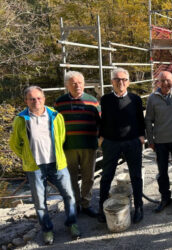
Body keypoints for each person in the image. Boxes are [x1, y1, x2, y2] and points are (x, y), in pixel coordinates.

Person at [10, 86, 80, 245]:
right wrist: (26, 157)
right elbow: (14, 144)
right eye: (32, 99)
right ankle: (47, 229)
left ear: (44, 99)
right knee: (40, 202)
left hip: (57, 163)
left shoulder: (55, 116)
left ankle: (72, 223)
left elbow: (61, 138)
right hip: (35, 167)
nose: (36, 101)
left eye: (39, 98)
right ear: (26, 101)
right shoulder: (20, 119)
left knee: (69, 194)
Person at [97, 68, 145, 224]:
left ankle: (138, 206)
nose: (121, 82)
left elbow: (140, 119)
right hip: (111, 143)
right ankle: (101, 208)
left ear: (128, 82)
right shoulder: (105, 100)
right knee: (106, 177)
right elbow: (100, 121)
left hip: (132, 142)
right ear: (112, 82)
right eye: (117, 79)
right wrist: (101, 138)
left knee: (136, 176)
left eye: (124, 79)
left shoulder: (135, 99)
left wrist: (141, 137)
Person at [55, 71, 100, 218]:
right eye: (74, 83)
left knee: (89, 177)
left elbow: (101, 123)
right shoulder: (60, 103)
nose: (77, 86)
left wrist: (100, 140)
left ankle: (86, 203)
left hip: (88, 145)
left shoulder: (92, 101)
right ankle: (75, 203)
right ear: (67, 85)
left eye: (80, 82)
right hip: (68, 146)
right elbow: (54, 126)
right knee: (71, 177)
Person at [145, 71, 172, 212]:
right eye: (162, 80)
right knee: (162, 171)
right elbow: (148, 120)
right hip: (160, 142)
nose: (165, 83)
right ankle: (165, 198)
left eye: (168, 80)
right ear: (158, 82)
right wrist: (150, 140)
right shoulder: (152, 98)